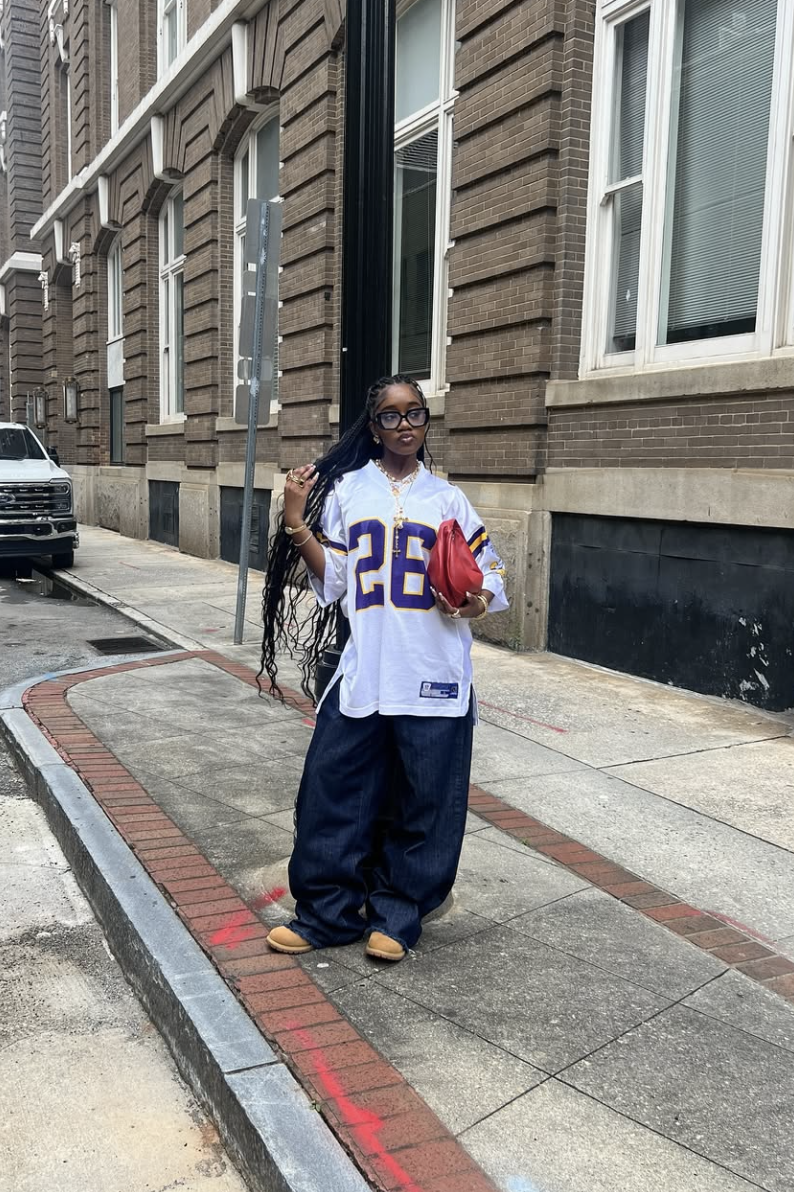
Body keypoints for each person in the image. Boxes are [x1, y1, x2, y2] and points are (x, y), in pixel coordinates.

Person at [260, 374, 508, 962]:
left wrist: (474, 603)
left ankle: (397, 917)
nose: (404, 425)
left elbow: (491, 572)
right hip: (365, 672)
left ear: (426, 421)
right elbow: (335, 578)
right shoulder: (349, 491)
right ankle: (327, 914)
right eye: (391, 416)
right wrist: (295, 519)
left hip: (435, 672)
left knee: (426, 803)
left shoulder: (447, 499)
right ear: (374, 428)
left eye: (414, 413)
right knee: (333, 790)